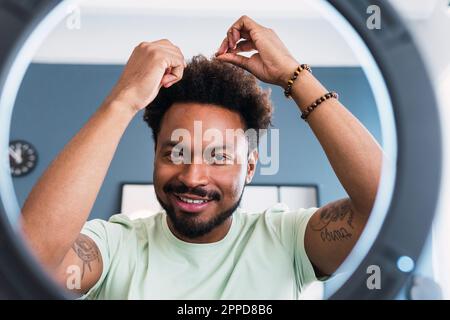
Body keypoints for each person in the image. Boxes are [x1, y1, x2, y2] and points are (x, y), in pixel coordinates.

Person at [20, 16, 382, 299]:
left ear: (251, 167)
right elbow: (28, 262)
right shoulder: (115, 247)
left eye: (219, 157)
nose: (193, 177)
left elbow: (385, 204)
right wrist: (122, 101)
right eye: (176, 152)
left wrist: (293, 75)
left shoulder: (288, 241)